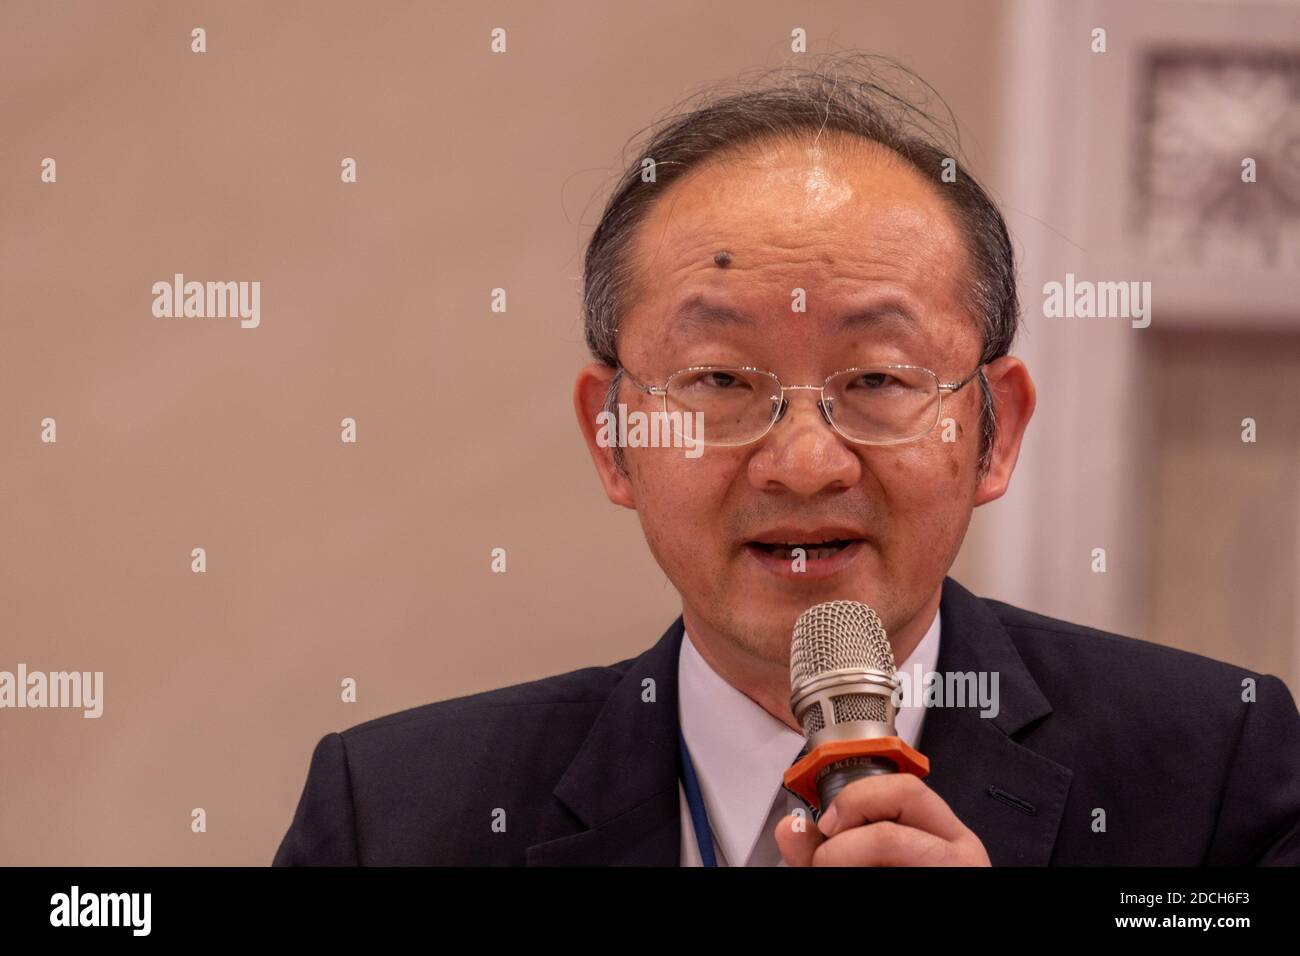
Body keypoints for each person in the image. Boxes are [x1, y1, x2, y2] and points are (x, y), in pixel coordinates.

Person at [272, 56, 1300, 866]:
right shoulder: (396, 814)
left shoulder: (1213, 771)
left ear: (997, 429)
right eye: (720, 382)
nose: (804, 463)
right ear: (615, 435)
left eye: (877, 380)